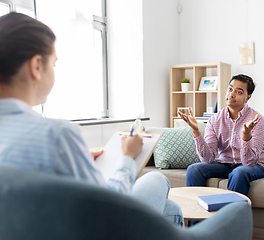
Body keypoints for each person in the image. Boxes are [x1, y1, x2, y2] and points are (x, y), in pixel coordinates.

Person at [0, 12, 183, 227]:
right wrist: (128, 157)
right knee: (157, 179)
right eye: (54, 64)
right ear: (37, 66)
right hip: (95, 229)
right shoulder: (56, 135)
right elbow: (108, 210)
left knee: (170, 210)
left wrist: (77, 156)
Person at [178, 74, 264, 196]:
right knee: (194, 169)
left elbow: (249, 162)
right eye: (230, 89)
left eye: (239, 92)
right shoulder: (214, 120)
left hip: (254, 165)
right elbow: (207, 159)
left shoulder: (258, 120)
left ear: (248, 97)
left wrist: (246, 136)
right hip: (225, 164)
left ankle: (229, 214)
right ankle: (198, 211)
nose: (231, 94)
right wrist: (196, 131)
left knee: (239, 172)